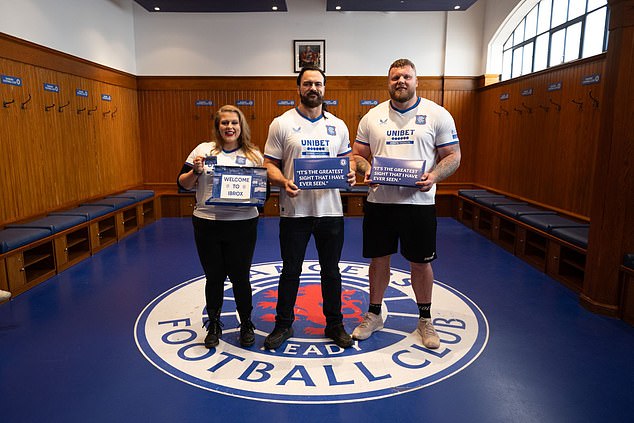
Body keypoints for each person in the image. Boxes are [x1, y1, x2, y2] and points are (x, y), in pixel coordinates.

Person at [351, 58, 461, 349]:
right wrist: (366, 170)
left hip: (419, 203)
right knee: (378, 260)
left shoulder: (437, 114)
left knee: (421, 263)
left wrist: (434, 175)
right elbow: (358, 155)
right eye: (395, 77)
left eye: (406, 77)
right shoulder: (371, 117)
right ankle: (374, 314)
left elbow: (453, 155)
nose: (400, 82)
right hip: (380, 202)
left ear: (416, 81)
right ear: (388, 82)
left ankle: (425, 319)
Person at [263, 66, 356, 350]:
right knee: (291, 271)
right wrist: (283, 180)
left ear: (324, 88)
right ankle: (283, 324)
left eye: (318, 84)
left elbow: (348, 161)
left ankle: (335, 324)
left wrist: (350, 173)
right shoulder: (281, 123)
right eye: (307, 84)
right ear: (299, 88)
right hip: (294, 212)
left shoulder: (338, 125)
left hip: (330, 211)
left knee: (331, 271)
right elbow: (269, 165)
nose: (313, 88)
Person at [177, 104, 264, 348]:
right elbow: (182, 184)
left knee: (240, 277)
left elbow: (262, 191)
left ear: (241, 126)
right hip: (208, 223)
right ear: (218, 126)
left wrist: (255, 194)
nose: (229, 127)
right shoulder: (203, 150)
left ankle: (246, 322)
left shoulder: (253, 154)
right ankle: (214, 323)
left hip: (242, 224)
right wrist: (195, 171)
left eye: (234, 123)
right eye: (224, 123)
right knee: (214, 277)